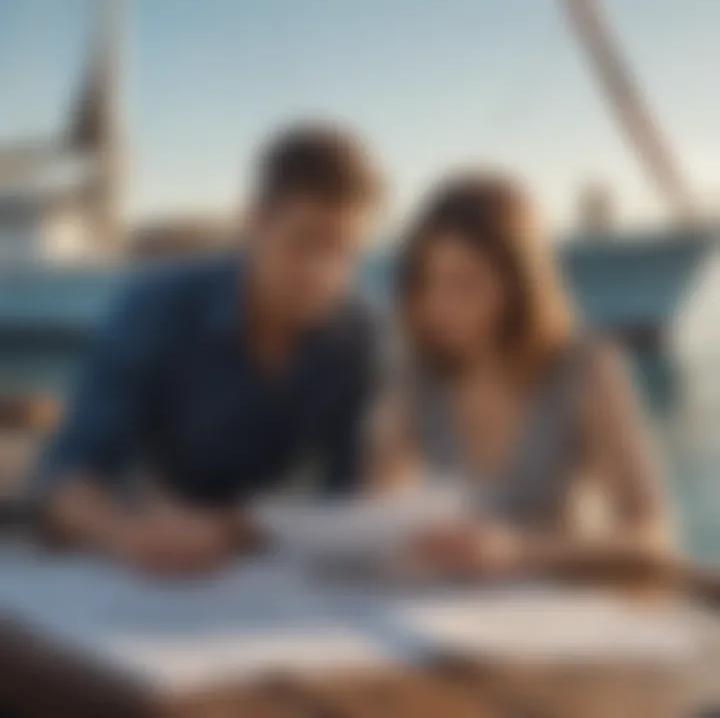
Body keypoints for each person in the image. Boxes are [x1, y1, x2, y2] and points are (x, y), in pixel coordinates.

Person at [34, 122, 384, 575]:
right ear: (254, 223)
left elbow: (353, 496)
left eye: (343, 251)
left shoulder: (357, 333)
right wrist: (125, 535)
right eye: (304, 242)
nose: (322, 272)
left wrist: (232, 530)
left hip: (265, 576)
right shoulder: (155, 308)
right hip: (149, 557)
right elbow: (67, 477)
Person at [372, 171, 673, 580]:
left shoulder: (584, 367)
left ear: (518, 285)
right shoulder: (419, 371)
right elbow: (379, 510)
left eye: (464, 283)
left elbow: (651, 539)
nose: (437, 303)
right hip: (448, 609)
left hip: (568, 611)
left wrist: (516, 550)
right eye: (426, 281)